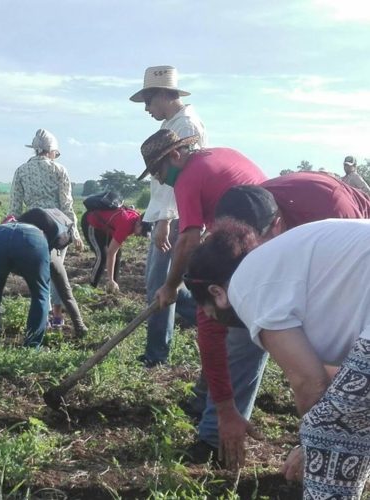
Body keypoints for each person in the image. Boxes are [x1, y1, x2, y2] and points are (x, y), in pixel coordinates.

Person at [189, 170, 370, 467]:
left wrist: (315, 443)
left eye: (212, 313)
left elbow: (310, 382)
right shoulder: (240, 254)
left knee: (329, 469)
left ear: (274, 227)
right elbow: (338, 376)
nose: (217, 321)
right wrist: (224, 408)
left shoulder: (328, 207)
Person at [138, 128, 267, 461]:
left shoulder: (188, 177)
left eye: (158, 170)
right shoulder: (218, 156)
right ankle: (203, 396)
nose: (160, 180)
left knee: (231, 332)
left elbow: (190, 239)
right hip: (255, 238)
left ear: (175, 156)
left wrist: (170, 285)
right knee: (214, 323)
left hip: (250, 249)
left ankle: (212, 439)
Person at [130, 65, 206, 370]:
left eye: (148, 102)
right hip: (169, 215)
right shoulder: (177, 122)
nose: (147, 109)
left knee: (158, 285)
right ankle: (210, 313)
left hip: (175, 218)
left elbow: (180, 180)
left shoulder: (185, 126)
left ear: (162, 94)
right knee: (171, 285)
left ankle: (156, 356)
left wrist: (165, 220)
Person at [8, 129, 84, 331]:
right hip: (57, 226)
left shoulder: (21, 171)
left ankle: (43, 315)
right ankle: (57, 316)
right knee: (58, 271)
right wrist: (74, 232)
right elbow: (66, 204)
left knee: (38, 273)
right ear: (51, 151)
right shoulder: (59, 170)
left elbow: (14, 208)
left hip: (31, 224)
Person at [0, 208, 87, 347]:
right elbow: (64, 289)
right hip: (30, 242)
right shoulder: (44, 242)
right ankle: (32, 345)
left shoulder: (15, 223)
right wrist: (80, 325)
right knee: (40, 295)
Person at [81, 206, 151, 292]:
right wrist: (110, 278)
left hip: (107, 227)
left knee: (118, 254)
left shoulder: (135, 220)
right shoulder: (126, 224)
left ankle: (113, 287)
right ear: (139, 222)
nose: (141, 235)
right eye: (142, 231)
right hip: (91, 222)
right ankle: (92, 287)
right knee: (103, 256)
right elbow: (111, 253)